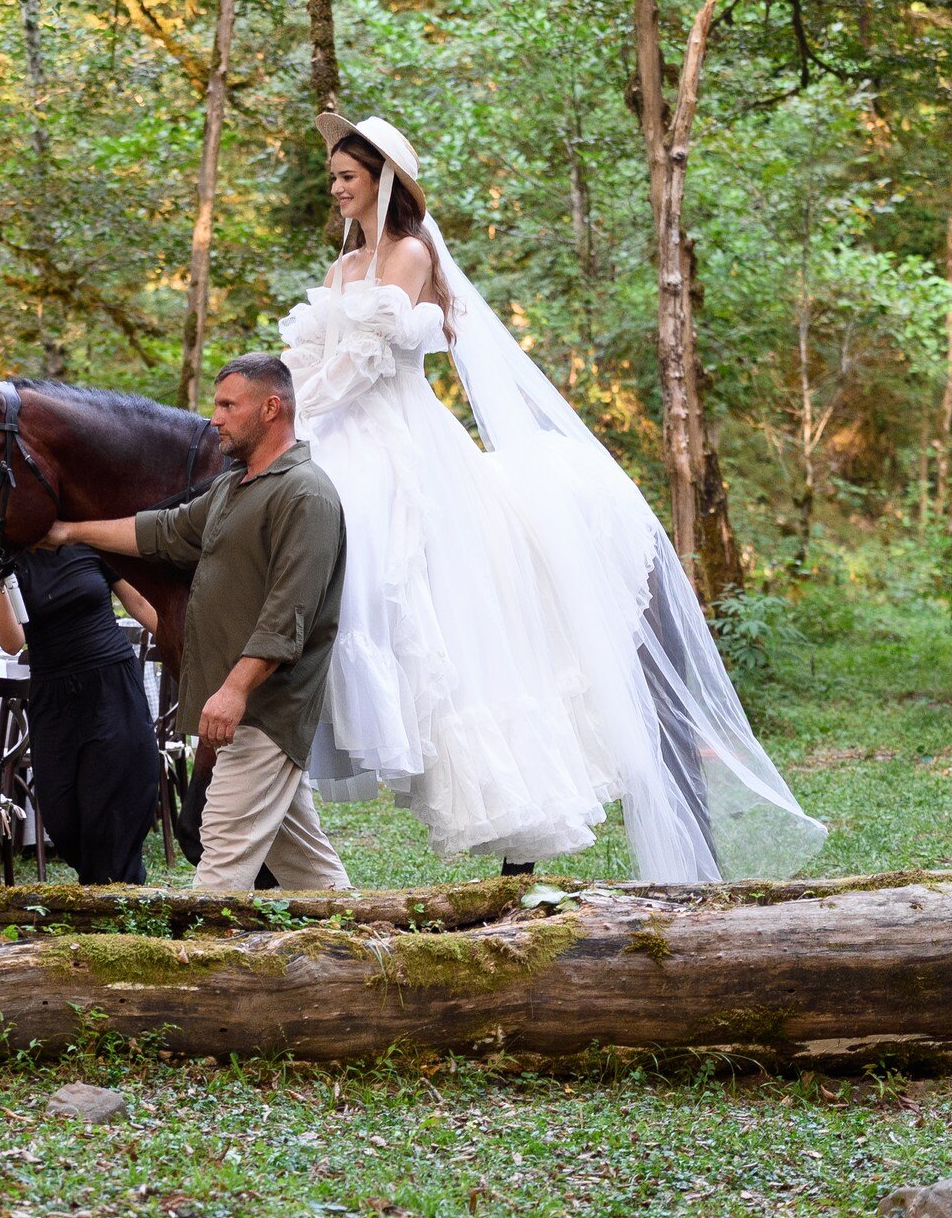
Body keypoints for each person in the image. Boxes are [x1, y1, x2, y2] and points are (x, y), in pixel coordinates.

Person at [278, 112, 825, 882]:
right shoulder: (343, 269)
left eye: (347, 176)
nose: (336, 189)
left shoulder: (410, 253)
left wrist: (297, 414)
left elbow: (364, 362)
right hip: (335, 427)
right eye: (333, 177)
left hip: (398, 437)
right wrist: (277, 408)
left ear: (383, 180)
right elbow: (310, 359)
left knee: (389, 568)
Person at [45, 355, 351, 892]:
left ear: (271, 408)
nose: (216, 418)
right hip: (244, 713)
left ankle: (198, 948)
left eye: (229, 405)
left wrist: (234, 691)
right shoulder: (235, 487)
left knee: (220, 859)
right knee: (310, 871)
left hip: (265, 711)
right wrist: (71, 531)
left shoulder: (306, 493)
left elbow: (288, 616)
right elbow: (163, 532)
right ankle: (365, 936)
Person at [0, 548, 161, 883]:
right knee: (60, 816)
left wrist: (188, 650)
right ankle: (108, 886)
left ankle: (115, 894)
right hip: (51, 694)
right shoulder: (9, 560)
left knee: (113, 804)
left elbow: (139, 604)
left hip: (111, 682)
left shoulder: (88, 542)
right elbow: (12, 642)